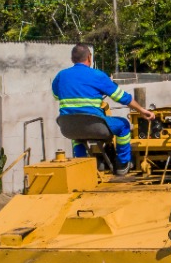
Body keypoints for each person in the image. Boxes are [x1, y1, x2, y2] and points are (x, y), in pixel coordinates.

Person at [52, 43, 156, 175]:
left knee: (77, 135)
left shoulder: (61, 76)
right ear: (89, 57)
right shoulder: (97, 75)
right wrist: (142, 111)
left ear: (72, 59)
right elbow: (122, 97)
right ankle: (122, 164)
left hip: (68, 127)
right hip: (95, 126)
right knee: (123, 125)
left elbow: (56, 96)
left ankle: (81, 166)